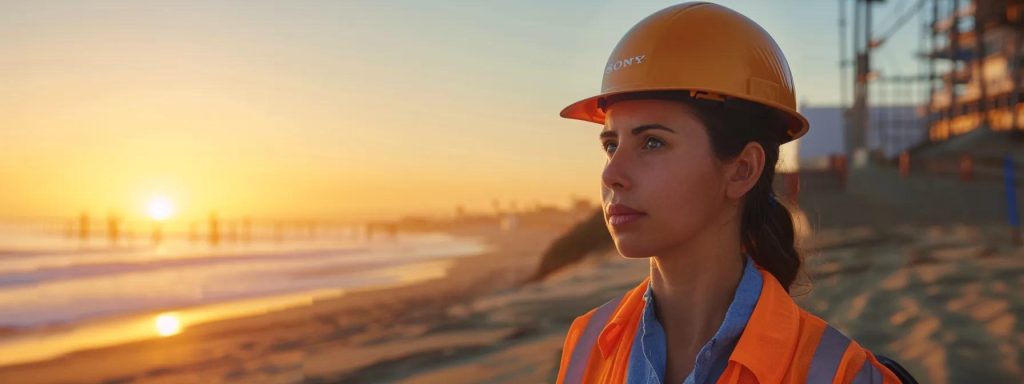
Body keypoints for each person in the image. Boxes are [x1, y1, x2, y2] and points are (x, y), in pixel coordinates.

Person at [554, 3, 905, 383]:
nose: (612, 174)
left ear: (742, 170)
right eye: (610, 145)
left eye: (652, 143)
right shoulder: (588, 342)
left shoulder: (839, 374)